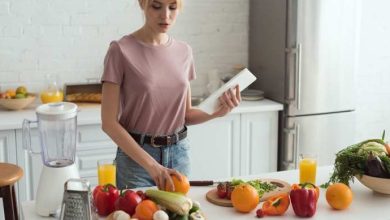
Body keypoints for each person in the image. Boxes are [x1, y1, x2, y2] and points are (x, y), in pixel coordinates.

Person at [100, 0, 241, 190]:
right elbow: (109, 123)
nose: (165, 15)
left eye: (172, 7)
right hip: (138, 161)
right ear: (143, 4)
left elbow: (186, 115)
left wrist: (218, 111)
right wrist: (152, 166)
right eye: (156, 6)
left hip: (179, 155)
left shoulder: (184, 52)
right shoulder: (120, 50)